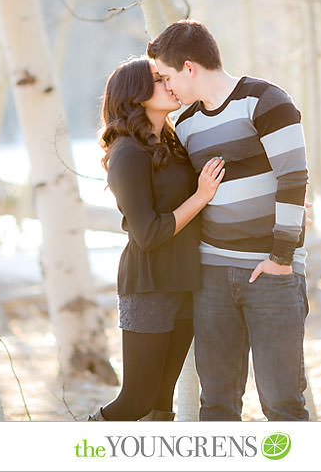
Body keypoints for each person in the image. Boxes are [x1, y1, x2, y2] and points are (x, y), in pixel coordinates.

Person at [147, 20, 310, 421]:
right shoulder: (185, 127)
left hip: (271, 271)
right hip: (213, 275)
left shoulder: (266, 100)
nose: (167, 88)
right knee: (217, 403)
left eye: (167, 77)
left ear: (189, 68)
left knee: (282, 402)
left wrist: (281, 259)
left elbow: (294, 177)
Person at [89, 56, 225, 421]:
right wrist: (201, 195)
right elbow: (147, 234)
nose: (170, 82)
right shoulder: (127, 153)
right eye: (158, 78)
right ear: (135, 93)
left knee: (161, 402)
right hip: (148, 284)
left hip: (184, 282)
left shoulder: (172, 140)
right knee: (136, 399)